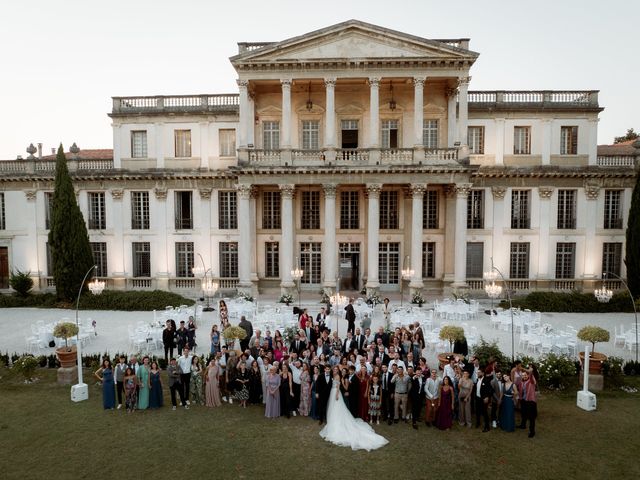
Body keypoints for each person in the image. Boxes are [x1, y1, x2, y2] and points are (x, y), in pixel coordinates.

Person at [319, 366, 389, 451]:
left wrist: (337, 394)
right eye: (334, 369)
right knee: (332, 408)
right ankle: (332, 420)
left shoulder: (337, 376)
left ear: (338, 371)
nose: (335, 370)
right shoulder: (332, 376)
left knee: (337, 408)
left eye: (336, 369)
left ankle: (337, 422)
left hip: (336, 393)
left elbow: (338, 386)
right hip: (331, 393)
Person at [519, 368, 538, 438]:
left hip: (530, 401)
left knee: (531, 418)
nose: (524, 376)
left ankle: (532, 431)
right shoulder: (521, 382)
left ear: (528, 375)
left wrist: (527, 371)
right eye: (523, 375)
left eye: (525, 375)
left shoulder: (531, 381)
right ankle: (523, 425)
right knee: (523, 414)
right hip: (523, 401)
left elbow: (531, 374)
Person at [475, 368, 493, 432]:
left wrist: (487, 397)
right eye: (477, 373)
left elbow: (491, 390)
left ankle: (487, 427)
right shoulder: (477, 380)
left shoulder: (487, 380)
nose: (478, 374)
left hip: (484, 399)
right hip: (477, 398)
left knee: (484, 413)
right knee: (477, 412)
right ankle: (478, 422)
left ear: (483, 373)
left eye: (479, 372)